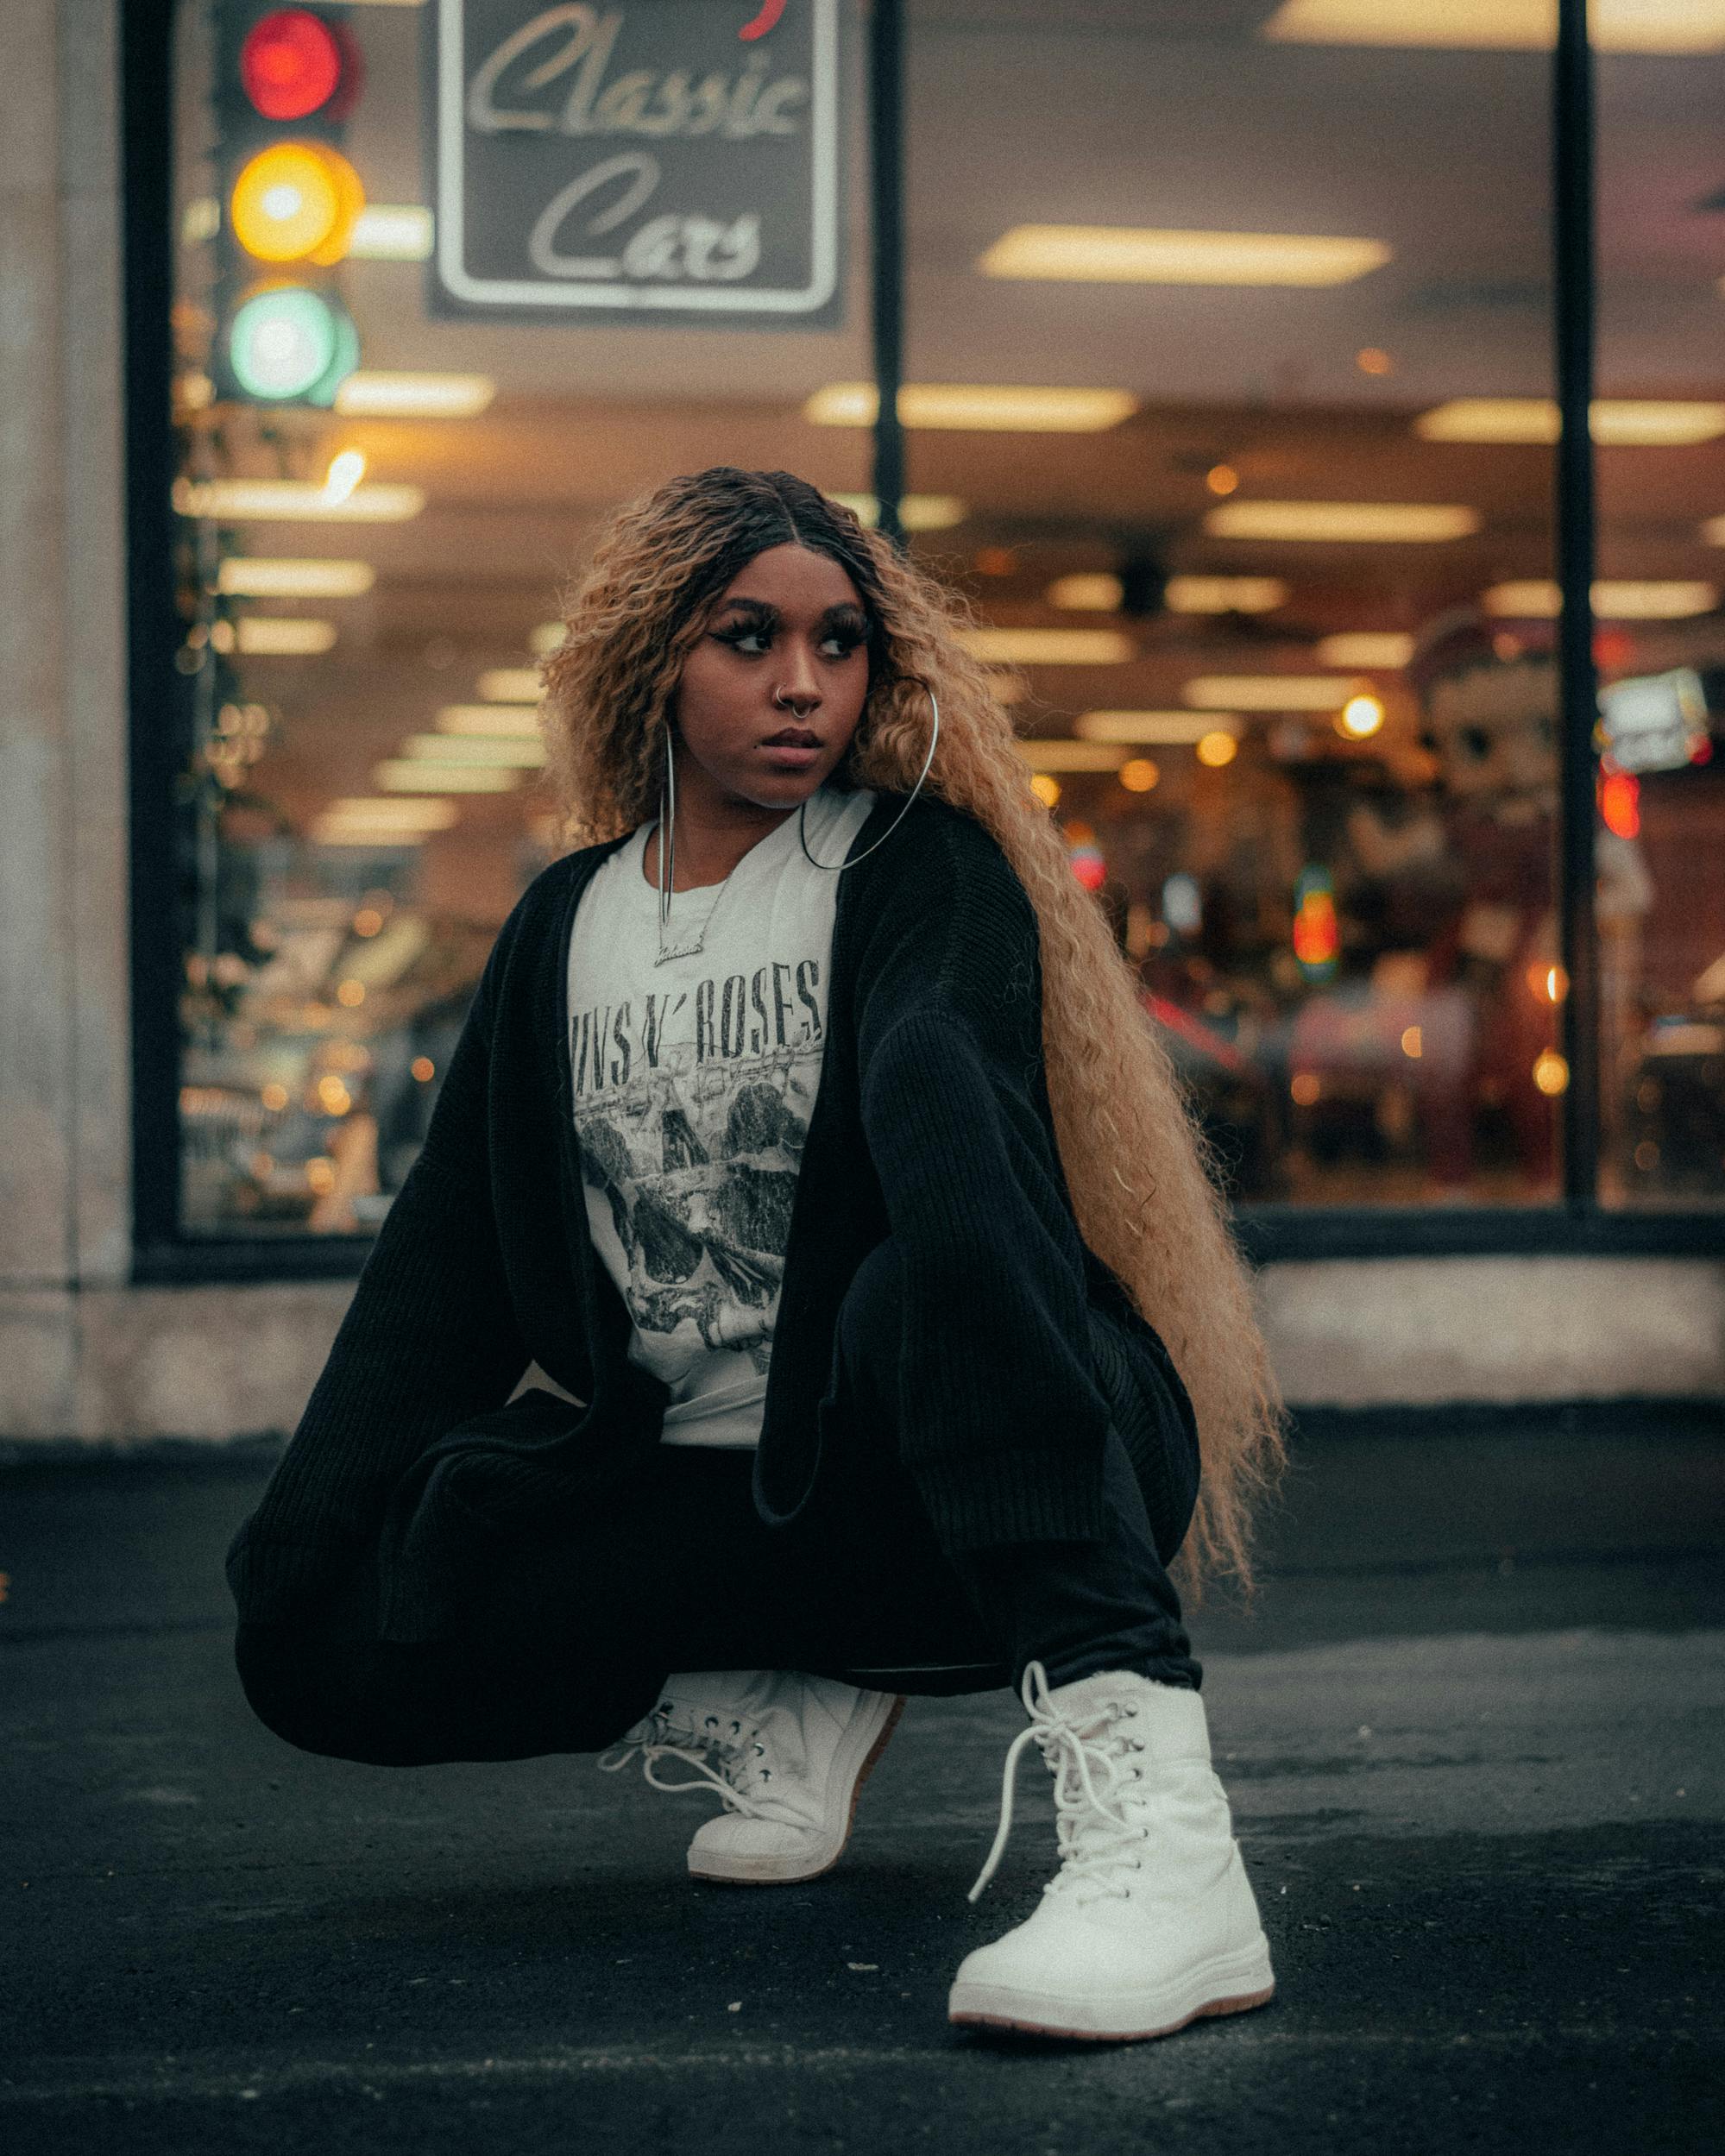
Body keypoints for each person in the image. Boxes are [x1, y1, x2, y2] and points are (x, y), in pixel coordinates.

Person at [229, 467, 1287, 2044]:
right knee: (312, 1646)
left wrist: (917, 1065)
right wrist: (298, 1545)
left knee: (913, 1271)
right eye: (749, 638)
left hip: (978, 1447)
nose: (804, 684)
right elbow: (434, 1278)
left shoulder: (913, 868)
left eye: (842, 643)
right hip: (723, 1506)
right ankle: (777, 1688)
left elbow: (949, 1096)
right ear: (653, 659)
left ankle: (1174, 1847)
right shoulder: (560, 928)